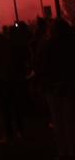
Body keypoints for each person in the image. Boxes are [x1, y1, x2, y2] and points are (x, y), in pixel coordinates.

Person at [37, 19, 75, 159]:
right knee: (70, 120)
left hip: (52, 88)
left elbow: (41, 67)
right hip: (68, 86)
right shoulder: (71, 45)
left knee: (58, 121)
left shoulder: (46, 46)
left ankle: (63, 152)